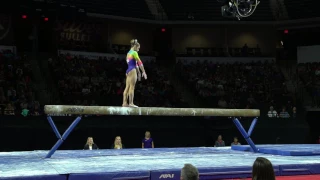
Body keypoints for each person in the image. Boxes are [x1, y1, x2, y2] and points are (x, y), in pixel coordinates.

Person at [122, 39, 147, 108]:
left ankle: (124, 103)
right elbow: (139, 63)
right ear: (135, 46)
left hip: (128, 71)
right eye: (138, 48)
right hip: (132, 70)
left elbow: (134, 64)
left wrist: (139, 73)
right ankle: (131, 103)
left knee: (127, 87)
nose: (138, 50)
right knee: (132, 87)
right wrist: (144, 71)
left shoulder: (128, 53)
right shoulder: (134, 53)